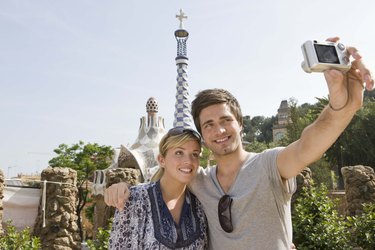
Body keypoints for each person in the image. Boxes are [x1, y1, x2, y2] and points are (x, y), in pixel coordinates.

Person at [105, 37, 374, 249]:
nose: (219, 130)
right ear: (203, 135)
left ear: (240, 124)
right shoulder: (199, 180)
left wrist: (341, 103)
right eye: (208, 125)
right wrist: (122, 188)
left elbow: (309, 143)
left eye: (225, 120)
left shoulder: (270, 165)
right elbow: (164, 176)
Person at [108, 128, 208, 250]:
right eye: (179, 153)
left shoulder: (199, 205)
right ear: (161, 160)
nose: (188, 161)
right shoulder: (136, 200)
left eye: (195, 154)